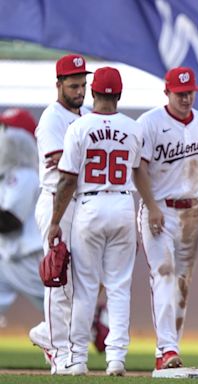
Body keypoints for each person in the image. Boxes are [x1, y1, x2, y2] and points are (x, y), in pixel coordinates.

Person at [47, 66, 160, 376]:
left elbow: (68, 180)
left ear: (93, 92)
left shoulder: (79, 127)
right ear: (119, 94)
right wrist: (150, 206)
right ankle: (116, 359)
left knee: (84, 288)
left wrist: (56, 220)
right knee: (119, 288)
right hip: (123, 203)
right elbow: (139, 170)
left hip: (90, 205)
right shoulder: (133, 128)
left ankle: (78, 358)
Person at [136, 67, 198, 370]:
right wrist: (151, 205)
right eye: (180, 93)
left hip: (191, 212)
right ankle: (167, 348)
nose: (186, 97)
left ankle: (170, 349)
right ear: (167, 93)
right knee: (163, 272)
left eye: (190, 92)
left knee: (182, 284)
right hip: (160, 208)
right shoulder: (149, 123)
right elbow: (139, 169)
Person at [29, 54, 109, 375]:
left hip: (83, 204)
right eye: (73, 84)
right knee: (58, 279)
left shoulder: (87, 114)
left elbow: (79, 160)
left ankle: (48, 334)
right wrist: (80, 158)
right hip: (55, 204)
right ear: (59, 84)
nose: (79, 90)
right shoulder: (52, 118)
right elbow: (63, 166)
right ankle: (58, 350)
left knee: (85, 282)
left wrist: (78, 158)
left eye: (83, 84)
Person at [0, 109, 44, 328]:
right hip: (7, 255)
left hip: (27, 257)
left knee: (60, 312)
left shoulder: (24, 175)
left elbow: (10, 221)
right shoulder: (7, 175)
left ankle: (94, 322)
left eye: (5, 129)